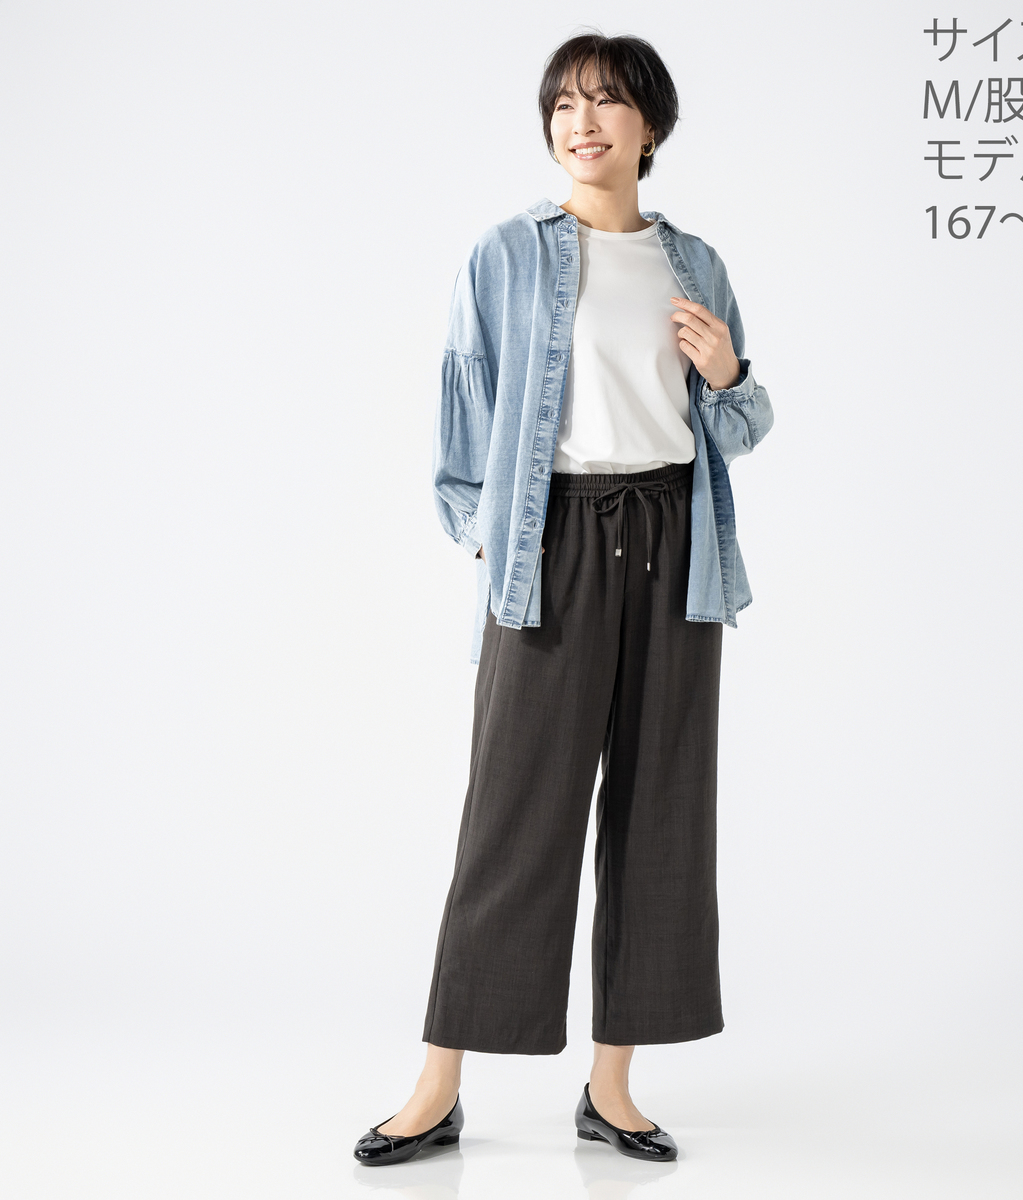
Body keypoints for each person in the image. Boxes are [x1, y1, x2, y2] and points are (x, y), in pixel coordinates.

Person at [353, 30, 774, 1167]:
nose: (582, 123)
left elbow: (738, 425)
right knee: (512, 816)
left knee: (659, 814)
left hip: (675, 546)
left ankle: (613, 1088)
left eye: (607, 102)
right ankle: (437, 1087)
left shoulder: (697, 265)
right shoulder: (505, 254)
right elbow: (463, 416)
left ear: (651, 126)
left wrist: (730, 376)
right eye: (565, 105)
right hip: (553, 548)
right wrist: (491, 541)